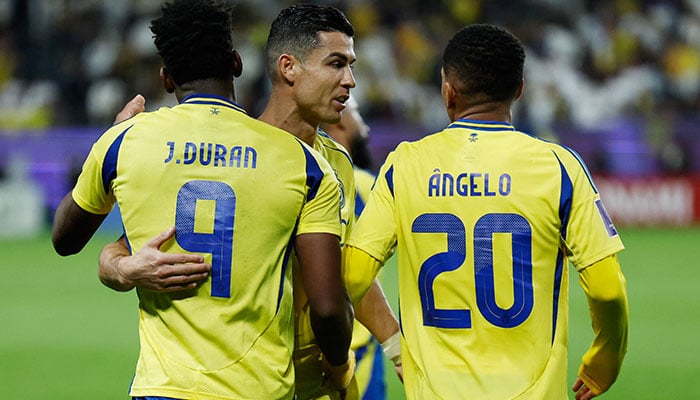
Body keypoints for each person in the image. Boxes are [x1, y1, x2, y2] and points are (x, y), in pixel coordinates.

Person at [51, 1, 354, 399]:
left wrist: (106, 147)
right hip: (257, 388)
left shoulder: (125, 142)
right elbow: (329, 308)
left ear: (166, 79)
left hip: (163, 389)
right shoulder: (303, 163)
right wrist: (338, 367)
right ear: (236, 63)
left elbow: (65, 239)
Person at [342, 24, 629, 400]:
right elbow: (608, 289)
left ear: (448, 90)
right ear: (520, 90)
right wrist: (605, 356)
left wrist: (394, 346)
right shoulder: (559, 167)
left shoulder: (406, 164)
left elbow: (353, 275)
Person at [321, 97, 390, 399]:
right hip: (356, 348)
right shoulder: (360, 182)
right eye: (358, 113)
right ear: (339, 123)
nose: (365, 124)